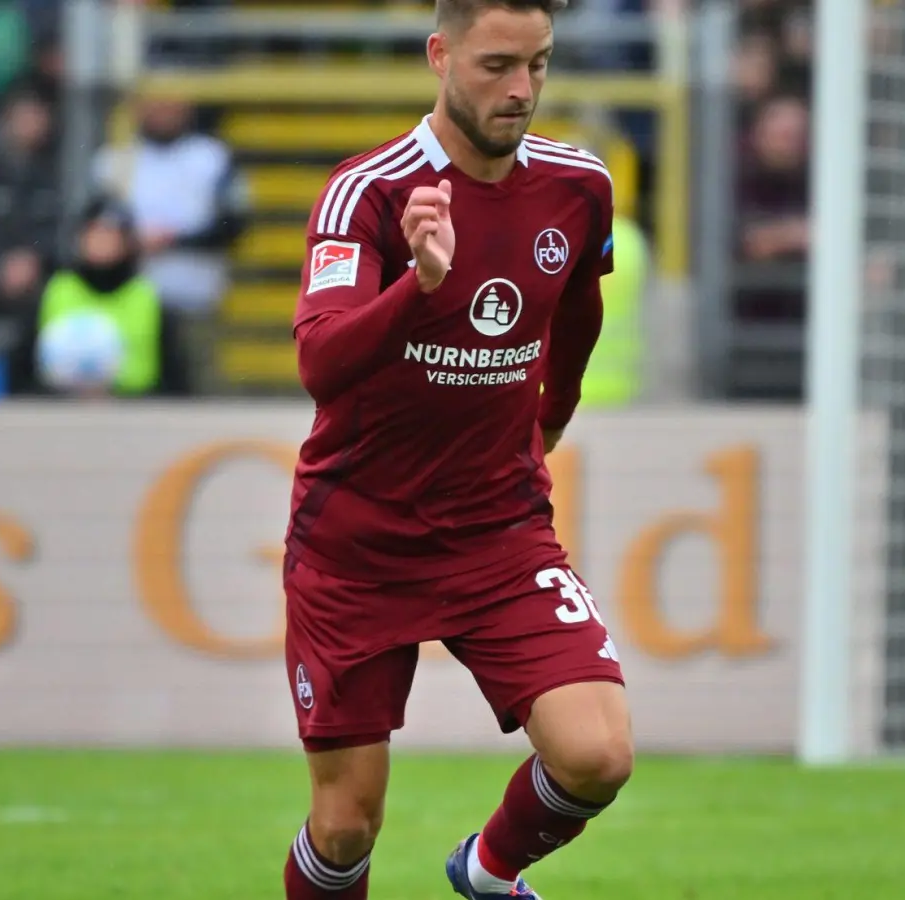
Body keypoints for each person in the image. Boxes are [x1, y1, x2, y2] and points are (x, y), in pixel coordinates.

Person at [279, 2, 627, 899]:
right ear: (440, 55)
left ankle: (488, 870)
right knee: (347, 825)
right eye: (497, 65)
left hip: (496, 533)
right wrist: (421, 288)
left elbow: (578, 306)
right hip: (359, 543)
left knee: (599, 754)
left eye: (539, 65)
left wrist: (555, 412)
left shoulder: (580, 184)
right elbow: (322, 362)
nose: (521, 90)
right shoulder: (372, 193)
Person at [4, 196, 191, 398]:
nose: (103, 242)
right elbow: (20, 378)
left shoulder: (148, 298)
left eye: (112, 234)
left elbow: (175, 384)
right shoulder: (53, 293)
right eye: (95, 233)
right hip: (59, 415)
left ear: (128, 241)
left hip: (135, 414)